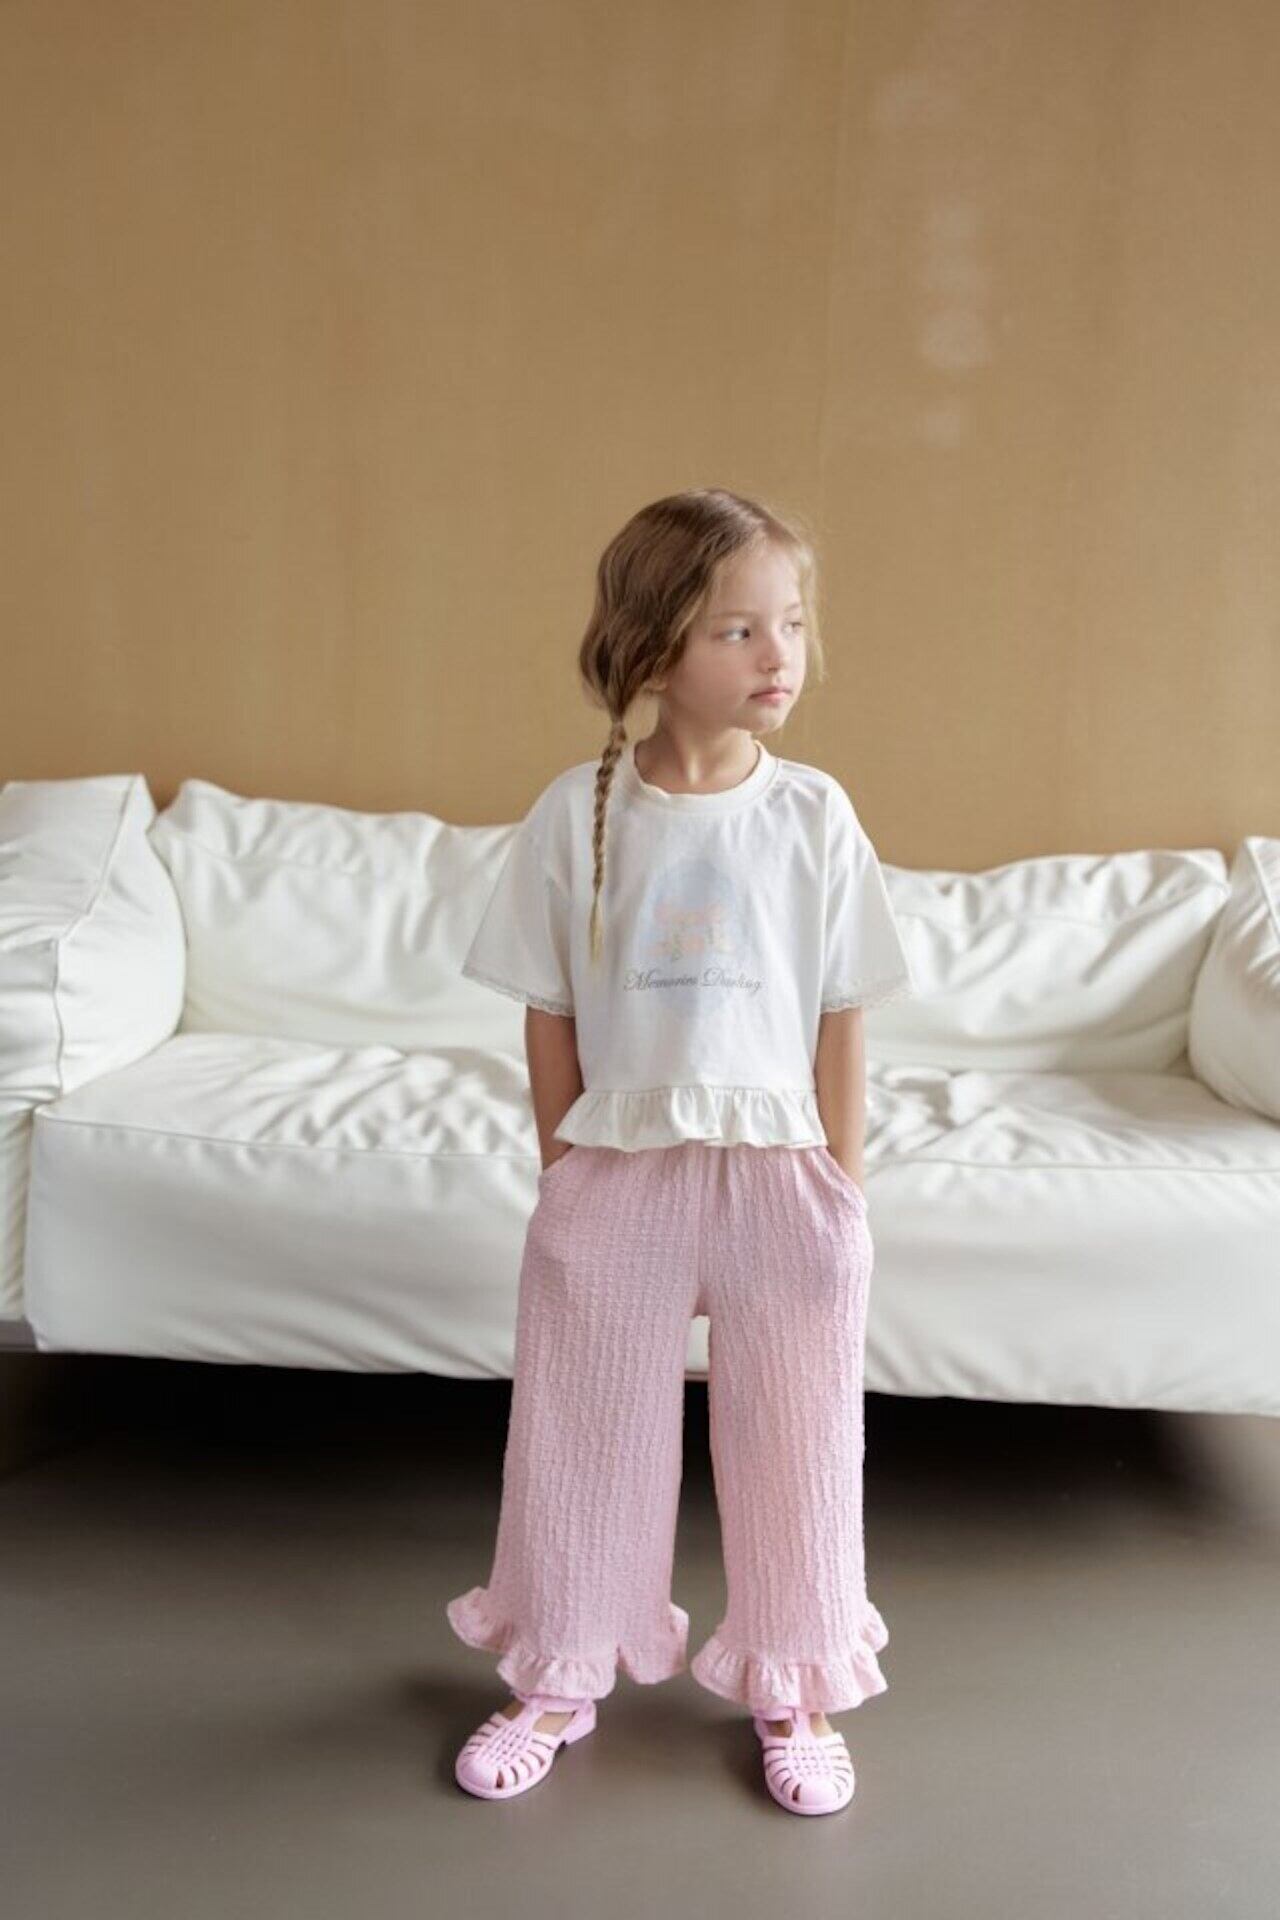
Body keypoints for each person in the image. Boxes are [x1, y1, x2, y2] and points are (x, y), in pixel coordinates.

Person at [446, 487, 914, 1815]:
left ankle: (797, 1684)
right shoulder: (577, 813)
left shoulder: (813, 814)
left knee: (800, 1444)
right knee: (582, 1437)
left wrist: (842, 1189)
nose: (780, 656)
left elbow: (840, 1015)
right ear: (655, 648)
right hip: (621, 1174)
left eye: (794, 625)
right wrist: (565, 1174)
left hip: (782, 1177)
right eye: (739, 630)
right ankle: (558, 1672)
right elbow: (546, 1011)